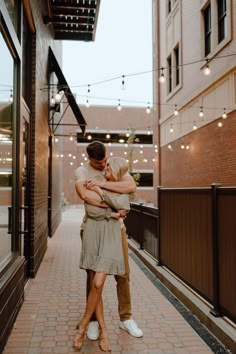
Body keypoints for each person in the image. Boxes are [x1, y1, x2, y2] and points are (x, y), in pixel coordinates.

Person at [75, 141, 143, 341]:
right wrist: (115, 205)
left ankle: (126, 318)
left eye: (105, 160)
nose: (103, 165)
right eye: (99, 163)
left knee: (123, 275)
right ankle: (94, 322)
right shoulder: (82, 171)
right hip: (93, 228)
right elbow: (84, 195)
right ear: (90, 159)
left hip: (116, 230)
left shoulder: (113, 166)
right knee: (93, 277)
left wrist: (102, 186)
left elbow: (130, 186)